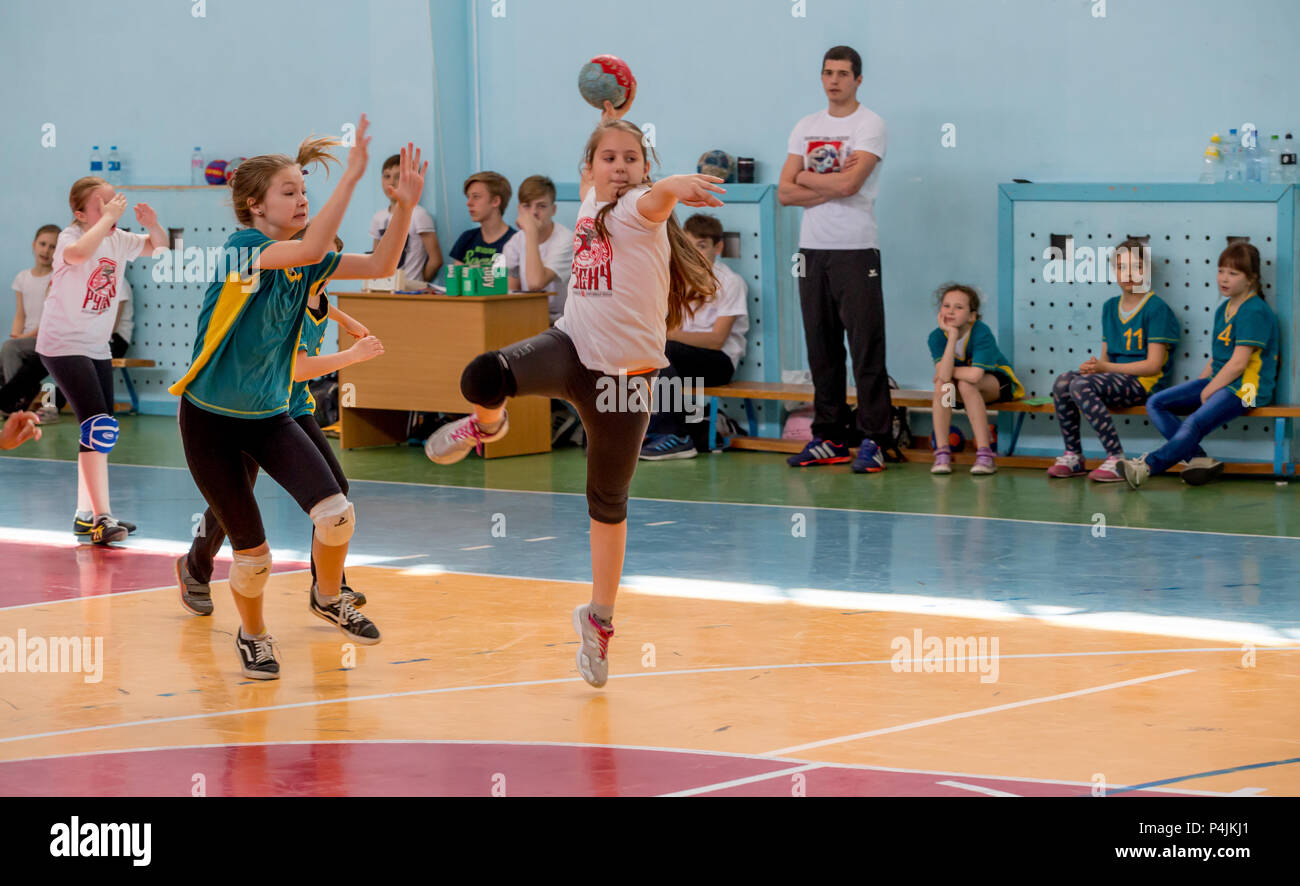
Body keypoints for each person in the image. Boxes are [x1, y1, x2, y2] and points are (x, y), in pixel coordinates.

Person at [424, 109, 724, 689]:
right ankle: (488, 425)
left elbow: (657, 198)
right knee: (482, 376)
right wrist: (610, 115)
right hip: (570, 345)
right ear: (587, 169)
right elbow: (609, 157)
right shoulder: (589, 200)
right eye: (608, 158)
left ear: (644, 169)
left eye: (631, 159)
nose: (619, 167)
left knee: (607, 503)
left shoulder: (641, 209)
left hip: (623, 380)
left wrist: (674, 184)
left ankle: (600, 619)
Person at [168, 117, 426, 679]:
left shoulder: (308, 265)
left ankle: (327, 595)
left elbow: (381, 266)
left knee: (336, 515)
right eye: (291, 192)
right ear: (256, 207)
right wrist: (352, 178)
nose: (302, 199)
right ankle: (253, 633)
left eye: (305, 190)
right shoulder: (243, 250)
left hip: (270, 415)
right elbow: (311, 247)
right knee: (254, 556)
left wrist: (405, 207)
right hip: (210, 422)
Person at [177, 231, 383, 617]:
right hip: (264, 408)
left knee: (335, 489)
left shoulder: (316, 293)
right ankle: (194, 566)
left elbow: (321, 305)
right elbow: (299, 366)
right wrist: (353, 356)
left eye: (329, 266)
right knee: (237, 499)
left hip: (293, 407)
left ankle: (328, 584)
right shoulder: (287, 302)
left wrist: (348, 320)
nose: (323, 273)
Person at [778, 45, 892, 473]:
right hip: (812, 250)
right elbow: (784, 192)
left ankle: (875, 439)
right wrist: (829, 179)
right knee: (821, 349)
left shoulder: (870, 124)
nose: (835, 80)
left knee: (866, 349)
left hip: (857, 249)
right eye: (828, 72)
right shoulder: (805, 126)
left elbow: (851, 186)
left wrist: (807, 177)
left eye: (844, 73)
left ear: (858, 79)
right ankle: (828, 437)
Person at [39, 178, 168, 544]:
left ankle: (85, 516)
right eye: (102, 206)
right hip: (62, 343)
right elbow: (79, 254)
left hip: (96, 345)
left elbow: (159, 248)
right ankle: (101, 517)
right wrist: (105, 221)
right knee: (98, 427)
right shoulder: (70, 237)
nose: (113, 211)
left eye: (115, 203)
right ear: (80, 213)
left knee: (99, 430)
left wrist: (153, 225)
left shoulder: (117, 239)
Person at [1121, 242, 1279, 489]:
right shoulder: (1223, 309)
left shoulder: (1254, 311)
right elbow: (1218, 360)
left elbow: (1238, 364)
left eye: (1233, 273)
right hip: (1225, 383)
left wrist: (1207, 390)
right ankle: (1199, 460)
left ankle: (1147, 466)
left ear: (1251, 279)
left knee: (1194, 421)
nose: (1223, 279)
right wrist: (1200, 384)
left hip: (1249, 390)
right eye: (1221, 271)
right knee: (1156, 402)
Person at [1047, 241, 1181, 481]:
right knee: (1063, 382)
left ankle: (1115, 457)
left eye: (1136, 266)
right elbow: (1106, 358)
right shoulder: (1110, 307)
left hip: (1145, 384)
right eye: (1121, 267)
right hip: (1117, 379)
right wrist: (1094, 368)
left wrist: (1104, 368)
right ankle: (1074, 455)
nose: (1128, 273)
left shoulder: (1157, 308)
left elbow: (1153, 365)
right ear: (1114, 272)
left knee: (1080, 385)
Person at [640, 212, 749, 460]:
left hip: (718, 362)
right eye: (688, 246)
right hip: (680, 358)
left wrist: (671, 334)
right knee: (640, 350)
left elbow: (716, 340)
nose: (694, 253)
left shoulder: (730, 282)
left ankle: (676, 435)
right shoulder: (676, 280)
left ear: (718, 247)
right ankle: (641, 430)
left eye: (702, 246)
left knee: (663, 349)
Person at [927, 284, 1023, 475]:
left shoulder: (981, 332)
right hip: (962, 390)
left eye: (959, 307)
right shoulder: (937, 337)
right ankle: (942, 453)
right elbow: (944, 378)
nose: (951, 311)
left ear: (972, 316)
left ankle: (985, 454)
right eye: (946, 306)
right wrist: (952, 336)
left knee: (965, 383)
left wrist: (946, 372)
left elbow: (975, 375)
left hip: (997, 385)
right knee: (942, 387)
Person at [3, 225, 59, 422]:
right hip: (26, 340)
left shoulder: (57, 278)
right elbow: (20, 313)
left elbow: (48, 318)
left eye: (53, 247)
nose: (46, 250)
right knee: (9, 349)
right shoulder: (22, 277)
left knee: (10, 349)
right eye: (43, 244)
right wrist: (16, 334)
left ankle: (14, 402)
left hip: (45, 337)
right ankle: (19, 398)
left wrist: (22, 339)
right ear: (34, 245)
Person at [504, 175, 573, 322]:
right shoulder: (514, 242)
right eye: (527, 206)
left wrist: (530, 233)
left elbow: (535, 283)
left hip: (560, 323)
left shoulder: (566, 240)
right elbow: (510, 295)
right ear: (519, 210)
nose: (534, 212)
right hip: (526, 317)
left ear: (553, 210)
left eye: (541, 206)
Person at [370, 152, 442, 286]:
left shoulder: (419, 215)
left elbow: (436, 260)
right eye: (387, 176)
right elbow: (375, 257)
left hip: (410, 291)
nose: (391, 182)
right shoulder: (378, 218)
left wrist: (417, 283)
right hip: (384, 289)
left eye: (398, 177)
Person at [449, 171, 517, 269]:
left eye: (476, 196)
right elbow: (457, 280)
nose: (468, 203)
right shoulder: (467, 238)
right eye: (468, 197)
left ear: (495, 201)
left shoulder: (515, 242)